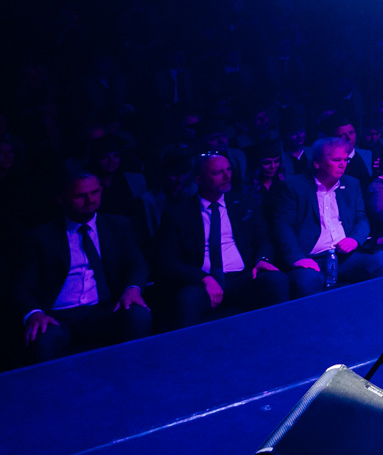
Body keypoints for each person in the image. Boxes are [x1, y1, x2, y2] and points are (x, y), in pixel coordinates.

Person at [15, 169, 152, 362]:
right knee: (43, 337)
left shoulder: (118, 226)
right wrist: (34, 313)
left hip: (103, 310)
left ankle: (137, 374)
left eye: (95, 192)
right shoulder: (41, 237)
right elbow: (21, 286)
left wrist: (133, 288)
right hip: (58, 316)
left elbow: (137, 263)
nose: (90, 200)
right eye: (80, 196)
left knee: (138, 315)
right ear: (61, 199)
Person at [154, 153, 287, 326]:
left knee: (277, 280)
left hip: (243, 276)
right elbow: (167, 260)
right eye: (217, 173)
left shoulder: (244, 203)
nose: (226, 176)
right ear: (199, 180)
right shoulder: (178, 213)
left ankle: (283, 335)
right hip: (203, 280)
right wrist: (203, 278)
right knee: (187, 299)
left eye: (228, 170)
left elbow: (263, 238)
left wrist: (262, 259)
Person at [266, 138, 383, 295]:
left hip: (344, 256)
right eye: (336, 160)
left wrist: (354, 240)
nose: (343, 164)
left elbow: (361, 219)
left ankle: (370, 306)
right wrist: (297, 258)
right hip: (311, 258)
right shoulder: (293, 186)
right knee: (306, 280)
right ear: (317, 163)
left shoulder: (351, 184)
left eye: (345, 160)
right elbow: (282, 227)